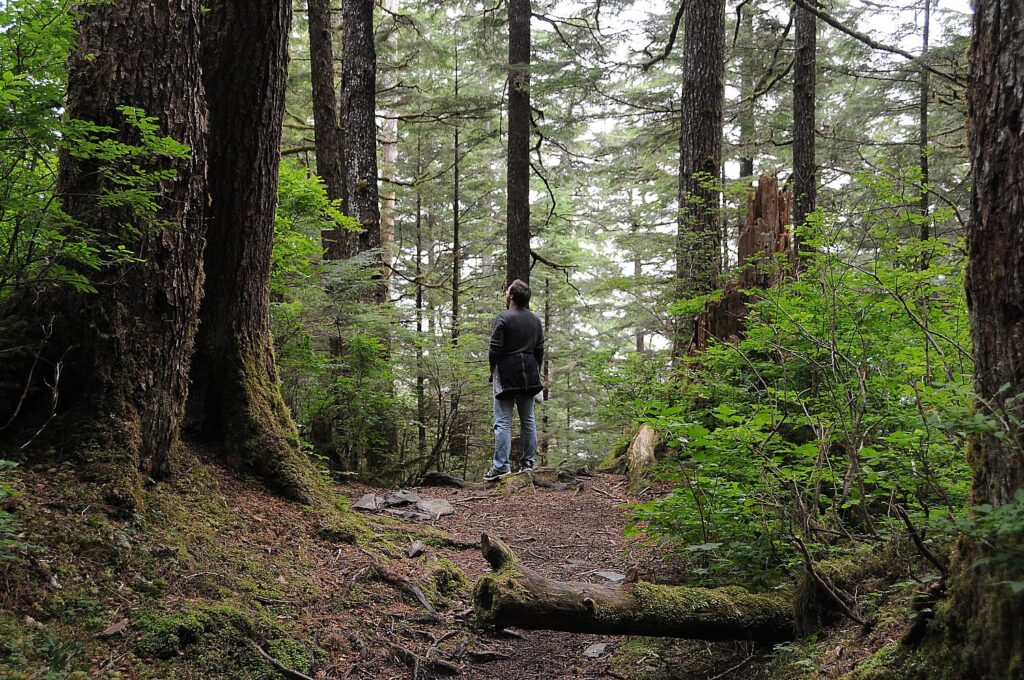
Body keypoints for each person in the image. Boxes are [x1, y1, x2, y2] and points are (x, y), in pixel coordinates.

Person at [484, 279, 544, 481]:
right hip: (529, 375)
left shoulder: (503, 317)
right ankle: (528, 464)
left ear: (511, 296)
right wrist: (536, 371)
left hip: (506, 374)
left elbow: (494, 349)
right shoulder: (535, 320)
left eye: (507, 290)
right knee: (528, 420)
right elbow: (539, 350)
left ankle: (501, 467)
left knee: (503, 421)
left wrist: (493, 370)